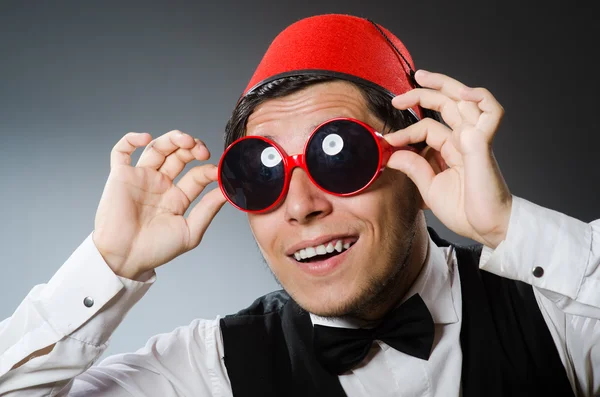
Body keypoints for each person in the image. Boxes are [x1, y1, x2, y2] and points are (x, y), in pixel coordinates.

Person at [0, 13, 598, 397]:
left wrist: (509, 227)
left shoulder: (560, 315)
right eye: (261, 178)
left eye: (340, 160)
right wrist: (109, 266)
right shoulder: (211, 369)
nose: (300, 206)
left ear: (427, 162)